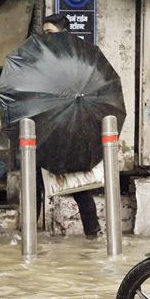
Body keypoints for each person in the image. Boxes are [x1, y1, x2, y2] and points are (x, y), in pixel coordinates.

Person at [40, 13, 101, 238]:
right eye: (44, 33)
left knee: (79, 186)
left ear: (64, 33)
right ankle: (28, 236)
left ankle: (92, 234)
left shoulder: (79, 59)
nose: (46, 37)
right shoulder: (42, 59)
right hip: (47, 128)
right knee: (35, 182)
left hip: (72, 128)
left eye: (50, 33)